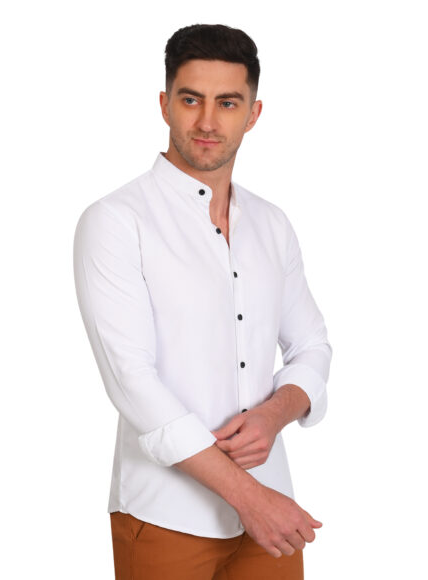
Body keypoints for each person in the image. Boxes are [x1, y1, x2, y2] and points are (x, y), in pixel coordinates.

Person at [73, 23, 332, 580]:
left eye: (228, 103)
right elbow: (132, 382)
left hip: (271, 514)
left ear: (253, 114)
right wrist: (249, 497)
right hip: (167, 515)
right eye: (191, 100)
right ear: (165, 104)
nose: (208, 121)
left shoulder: (272, 224)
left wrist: (274, 414)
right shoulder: (116, 222)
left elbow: (312, 345)